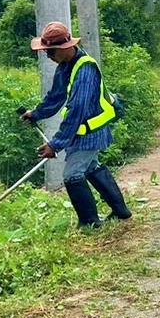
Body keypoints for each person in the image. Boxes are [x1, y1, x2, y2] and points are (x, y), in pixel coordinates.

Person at [21, 21, 131, 228]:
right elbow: (55, 97)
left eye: (50, 51)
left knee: (72, 175)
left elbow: (76, 112)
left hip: (91, 131)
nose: (48, 56)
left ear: (65, 48)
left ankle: (89, 222)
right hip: (79, 131)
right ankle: (120, 211)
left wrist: (55, 145)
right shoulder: (65, 67)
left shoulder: (85, 70)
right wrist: (35, 114)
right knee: (90, 168)